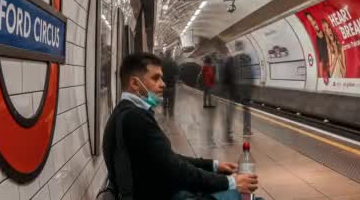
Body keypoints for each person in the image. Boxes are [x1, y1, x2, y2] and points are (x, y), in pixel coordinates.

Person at [102, 53, 259, 200]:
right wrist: (230, 182)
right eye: (156, 78)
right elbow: (176, 171)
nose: (163, 84)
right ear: (135, 83)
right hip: (161, 195)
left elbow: (167, 159)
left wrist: (213, 165)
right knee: (242, 196)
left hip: (157, 190)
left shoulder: (124, 112)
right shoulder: (135, 118)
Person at [304, 12, 330, 83]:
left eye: (312, 19)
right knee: (325, 82)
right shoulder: (315, 38)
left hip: (330, 60)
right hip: (324, 63)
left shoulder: (325, 29)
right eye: (310, 21)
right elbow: (320, 55)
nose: (313, 22)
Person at [161, 52, 180, 116]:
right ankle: (171, 116)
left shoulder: (162, 63)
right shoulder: (173, 63)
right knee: (171, 100)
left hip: (163, 84)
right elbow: (177, 74)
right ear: (170, 55)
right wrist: (175, 80)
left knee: (164, 98)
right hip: (171, 84)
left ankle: (164, 113)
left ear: (165, 55)